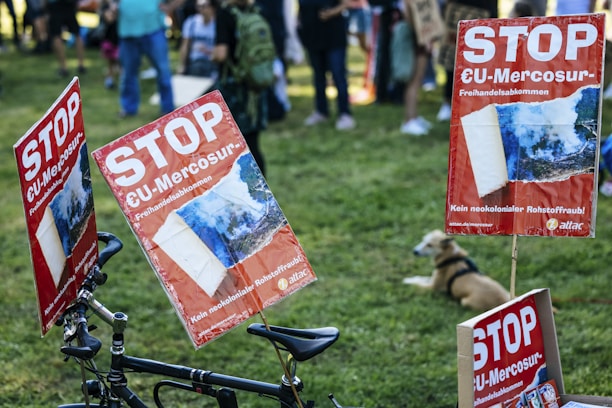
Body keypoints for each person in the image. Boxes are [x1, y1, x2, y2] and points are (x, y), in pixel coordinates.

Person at [212, 0, 268, 174]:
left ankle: (251, 189)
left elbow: (221, 54)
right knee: (253, 142)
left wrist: (211, 55)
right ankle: (263, 186)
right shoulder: (255, 10)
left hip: (234, 86)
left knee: (236, 144)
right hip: (255, 81)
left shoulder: (225, 14)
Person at [117, 0, 182, 117]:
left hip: (154, 30)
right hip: (128, 31)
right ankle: (129, 109)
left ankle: (168, 109)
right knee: (128, 74)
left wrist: (170, 7)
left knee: (163, 71)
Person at [436, 0, 498, 122]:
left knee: (481, 59)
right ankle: (448, 102)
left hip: (484, 9)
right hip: (459, 7)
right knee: (453, 56)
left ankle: (475, 105)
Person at [298, 0, 356, 130]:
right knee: (318, 76)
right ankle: (321, 111)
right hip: (313, 37)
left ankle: (344, 113)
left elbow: (348, 3)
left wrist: (332, 12)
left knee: (338, 75)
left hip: (334, 36)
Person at [399, 0, 436, 135]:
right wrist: (424, 36)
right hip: (418, 41)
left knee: (417, 81)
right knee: (414, 81)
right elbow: (411, 16)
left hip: (420, 40)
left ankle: (414, 117)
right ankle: (410, 120)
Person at [178, 0, 218, 78]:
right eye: (198, 6)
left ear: (212, 7)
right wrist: (182, 65)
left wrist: (208, 51)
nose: (201, 9)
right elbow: (185, 45)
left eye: (204, 6)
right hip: (195, 62)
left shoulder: (218, 23)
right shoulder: (191, 22)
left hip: (212, 62)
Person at [46, 0, 86, 77]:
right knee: (77, 34)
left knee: (56, 35)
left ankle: (64, 68)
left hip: (56, 5)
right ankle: (81, 65)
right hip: (69, 4)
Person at [99, 0, 120, 89]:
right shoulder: (106, 6)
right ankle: (109, 81)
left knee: (122, 63)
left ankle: (124, 83)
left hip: (121, 40)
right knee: (111, 63)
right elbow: (109, 19)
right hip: (111, 40)